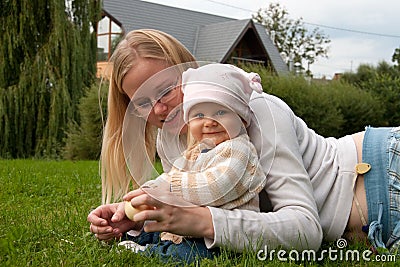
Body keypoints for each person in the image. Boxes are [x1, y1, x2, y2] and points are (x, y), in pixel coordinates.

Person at [87, 29, 400, 256]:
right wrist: (136, 216)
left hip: (385, 170)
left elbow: (306, 229)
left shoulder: (256, 109)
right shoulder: (170, 140)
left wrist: (203, 222)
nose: (158, 110)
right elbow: (190, 202)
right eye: (141, 102)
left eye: (166, 90)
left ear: (189, 74)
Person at [117, 63, 267, 263]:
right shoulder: (198, 149)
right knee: (157, 227)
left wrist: (171, 188)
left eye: (221, 112)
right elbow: (173, 174)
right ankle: (139, 236)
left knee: (186, 254)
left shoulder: (239, 150)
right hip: (193, 227)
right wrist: (150, 191)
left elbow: (216, 186)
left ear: (242, 118)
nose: (209, 122)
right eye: (198, 115)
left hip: (222, 236)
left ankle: (151, 252)